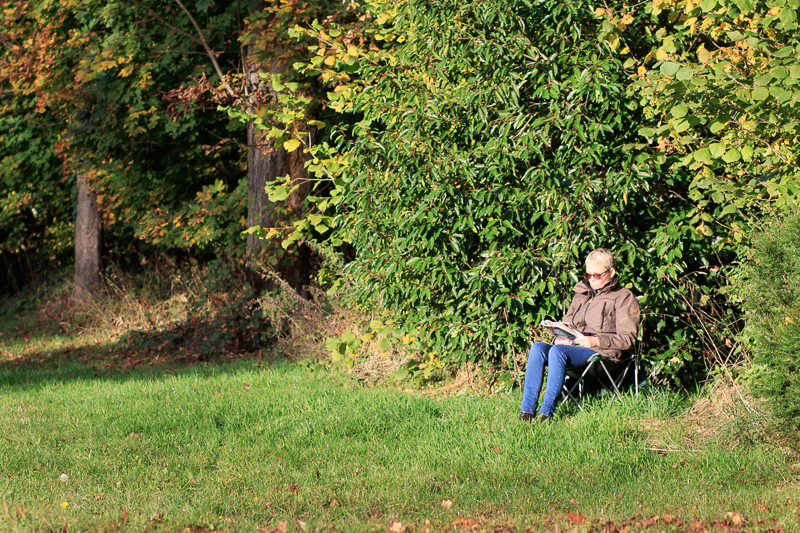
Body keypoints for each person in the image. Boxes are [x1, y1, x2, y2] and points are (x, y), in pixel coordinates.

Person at [519, 248, 640, 422]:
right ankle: (527, 412)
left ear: (611, 272)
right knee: (538, 347)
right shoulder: (581, 295)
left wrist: (594, 340)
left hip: (603, 356)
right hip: (574, 349)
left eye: (597, 275)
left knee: (557, 352)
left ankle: (546, 413)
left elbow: (628, 339)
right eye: (588, 275)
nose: (592, 279)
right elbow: (568, 325)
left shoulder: (624, 297)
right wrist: (559, 337)